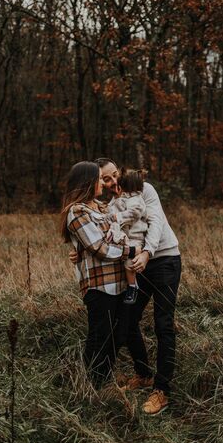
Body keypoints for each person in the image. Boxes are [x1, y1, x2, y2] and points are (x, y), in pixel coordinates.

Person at [95, 158, 182, 415]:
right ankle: (143, 374)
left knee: (163, 323)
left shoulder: (145, 189)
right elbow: (103, 233)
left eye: (114, 176)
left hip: (164, 259)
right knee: (128, 319)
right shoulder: (112, 203)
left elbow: (155, 222)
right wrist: (79, 253)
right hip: (137, 265)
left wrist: (147, 252)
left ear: (119, 172)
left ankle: (162, 390)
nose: (113, 183)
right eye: (106, 179)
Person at [60, 161, 141, 389]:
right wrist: (132, 250)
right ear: (87, 182)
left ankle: (104, 381)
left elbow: (116, 234)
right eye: (98, 179)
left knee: (116, 336)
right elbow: (101, 248)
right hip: (99, 286)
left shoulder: (101, 207)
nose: (102, 184)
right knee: (100, 336)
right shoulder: (76, 212)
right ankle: (91, 386)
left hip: (120, 283)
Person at [107, 167, 148, 305]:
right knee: (125, 261)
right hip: (127, 237)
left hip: (136, 239)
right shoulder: (125, 197)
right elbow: (112, 208)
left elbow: (134, 213)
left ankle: (132, 287)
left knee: (129, 264)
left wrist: (116, 217)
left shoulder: (137, 200)